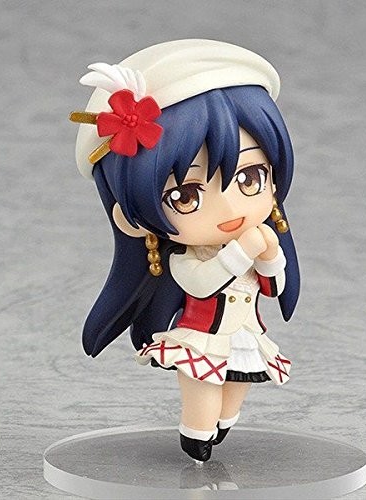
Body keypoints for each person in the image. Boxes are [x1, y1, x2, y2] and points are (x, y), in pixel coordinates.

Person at [70, 39, 300, 462]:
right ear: (132, 217)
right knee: (204, 388)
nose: (230, 209)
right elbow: (201, 282)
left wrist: (270, 257)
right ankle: (197, 435)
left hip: (246, 334)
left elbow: (273, 287)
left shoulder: (255, 238)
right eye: (186, 195)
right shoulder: (189, 257)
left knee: (238, 386)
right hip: (202, 338)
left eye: (250, 179)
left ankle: (223, 425)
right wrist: (242, 251)